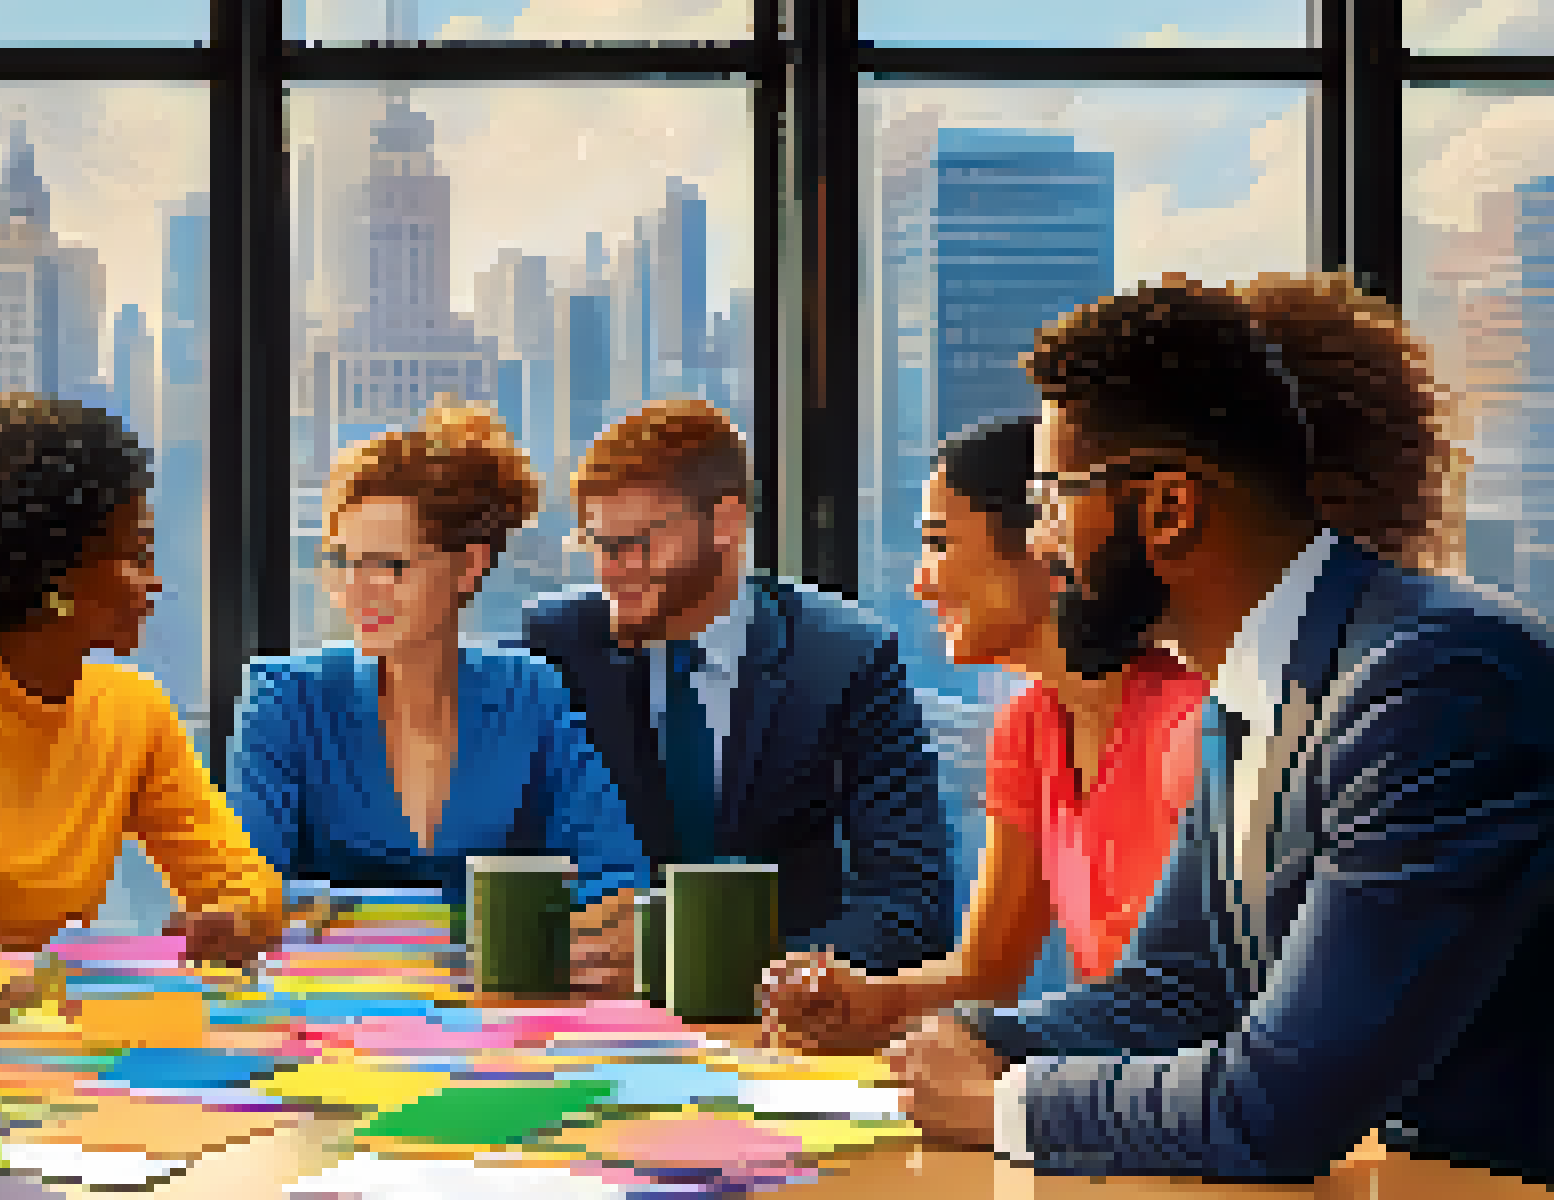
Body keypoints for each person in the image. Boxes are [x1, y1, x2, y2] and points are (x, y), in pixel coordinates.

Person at [889, 272, 1554, 1183]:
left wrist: (1001, 1103)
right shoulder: (1246, 685)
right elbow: (1176, 988)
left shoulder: (1432, 685)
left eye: (1050, 501)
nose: (1040, 544)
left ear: (1169, 508)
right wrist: (970, 1034)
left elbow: (1274, 1107)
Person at [0, 392, 285, 1050]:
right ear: (53, 578)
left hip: (50, 1041)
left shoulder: (135, 710)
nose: (153, 584)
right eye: (135, 556)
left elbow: (247, 885)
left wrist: (233, 919)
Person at [761, 416, 1207, 1053]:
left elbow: (1190, 1007)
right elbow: (985, 972)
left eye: (941, 542)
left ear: (1045, 542)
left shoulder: (1189, 720)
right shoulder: (1028, 728)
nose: (921, 582)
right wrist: (866, 998)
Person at [517, 394, 954, 972]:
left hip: (778, 1013)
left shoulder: (844, 656)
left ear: (725, 522)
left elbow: (913, 906)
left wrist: (701, 959)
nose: (609, 570)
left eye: (633, 545)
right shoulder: (559, 644)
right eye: (597, 544)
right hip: (597, 1014)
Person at [228, 405, 651, 993]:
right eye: (341, 563)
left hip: (505, 1024)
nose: (357, 591)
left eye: (389, 566)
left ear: (467, 567)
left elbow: (616, 884)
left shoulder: (528, 693)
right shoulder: (284, 699)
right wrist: (477, 936)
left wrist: (339, 921)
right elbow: (247, 900)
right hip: (328, 1028)